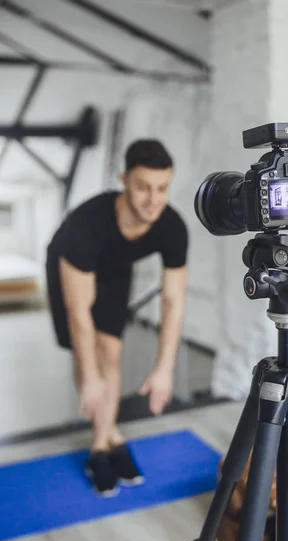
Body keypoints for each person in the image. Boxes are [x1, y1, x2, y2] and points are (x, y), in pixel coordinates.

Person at [46, 139, 188, 497]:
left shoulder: (171, 226)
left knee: (111, 349)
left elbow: (173, 300)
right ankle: (106, 440)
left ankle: (103, 439)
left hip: (115, 269)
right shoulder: (86, 224)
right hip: (69, 264)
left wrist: (164, 370)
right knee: (90, 353)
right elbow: (80, 313)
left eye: (161, 188)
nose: (153, 200)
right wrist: (89, 376)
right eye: (142, 188)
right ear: (123, 180)